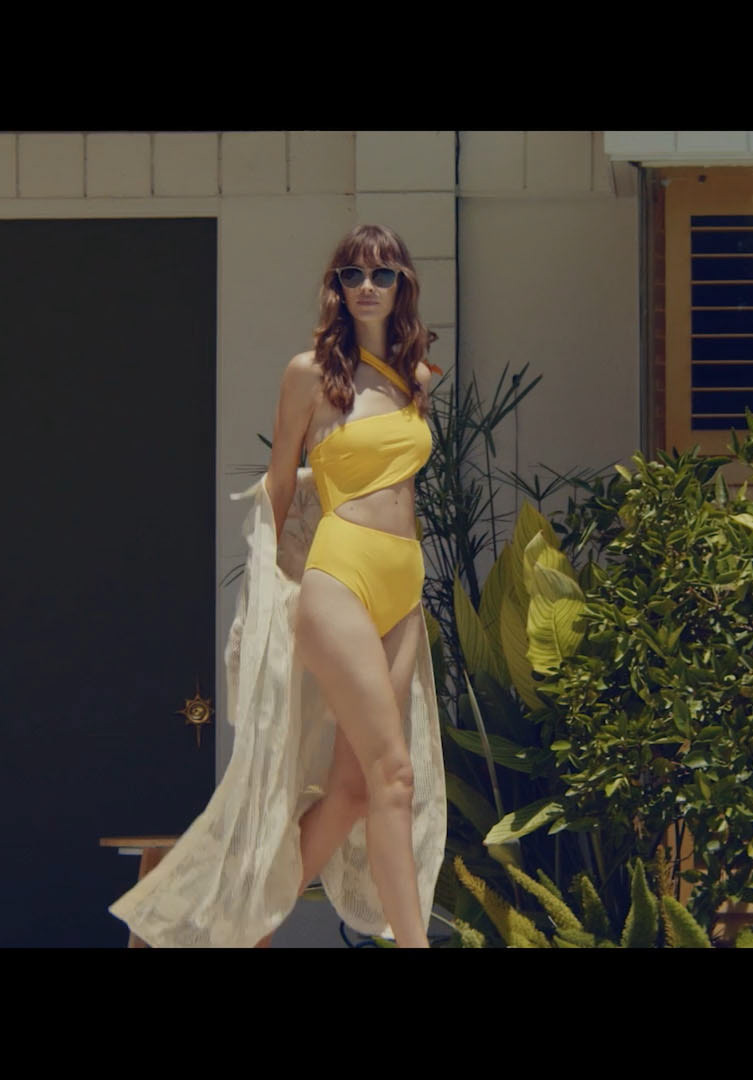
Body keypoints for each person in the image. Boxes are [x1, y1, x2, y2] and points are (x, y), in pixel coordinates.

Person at [110, 225, 446, 948]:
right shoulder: (309, 375)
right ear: (336, 288)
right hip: (339, 576)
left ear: (402, 286)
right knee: (394, 775)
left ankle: (223, 934)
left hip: (403, 586)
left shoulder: (416, 379)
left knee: (354, 791)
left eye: (382, 275)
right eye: (352, 274)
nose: (366, 286)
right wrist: (268, 597)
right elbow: (279, 486)